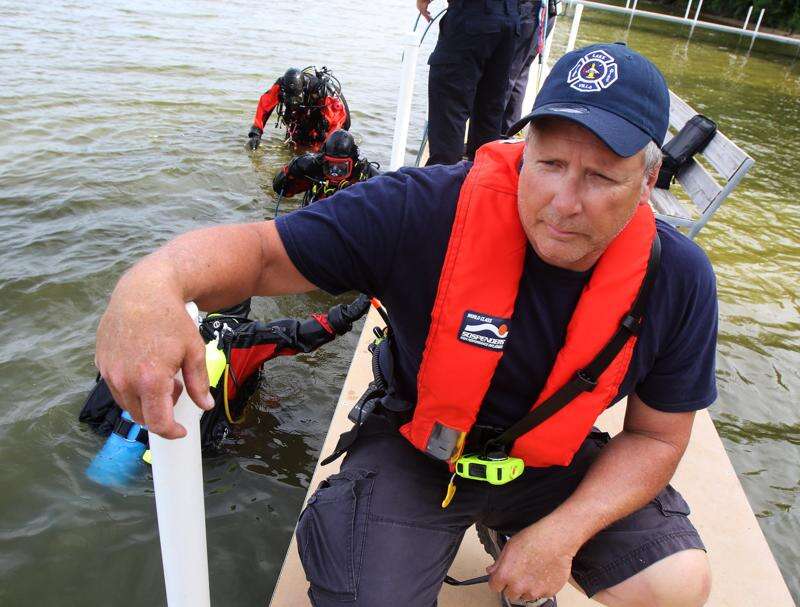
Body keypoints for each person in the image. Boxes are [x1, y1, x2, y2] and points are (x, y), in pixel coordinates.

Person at [96, 44, 715, 607]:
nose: (564, 201)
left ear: (647, 180)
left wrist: (563, 531)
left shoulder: (678, 278)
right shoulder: (424, 209)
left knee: (677, 585)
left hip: (549, 466)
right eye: (548, 163)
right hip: (419, 445)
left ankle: (515, 527)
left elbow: (657, 437)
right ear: (523, 151)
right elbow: (261, 253)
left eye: (601, 176)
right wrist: (152, 282)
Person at [419, 0, 520, 166]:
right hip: (510, 19)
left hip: (470, 18)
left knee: (450, 110)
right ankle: (482, 181)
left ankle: (444, 185)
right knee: (490, 110)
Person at [247, 66, 351, 152]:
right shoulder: (281, 86)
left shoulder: (321, 92)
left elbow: (337, 122)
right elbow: (265, 105)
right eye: (290, 98)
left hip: (323, 120)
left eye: (296, 98)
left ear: (303, 89)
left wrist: (327, 149)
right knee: (292, 147)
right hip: (300, 117)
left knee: (318, 152)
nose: (293, 101)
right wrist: (256, 134)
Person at [272, 130, 380, 207]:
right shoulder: (317, 170)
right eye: (330, 165)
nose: (335, 172)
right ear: (323, 160)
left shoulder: (366, 177)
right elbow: (280, 189)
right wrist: (293, 167)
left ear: (354, 162)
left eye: (342, 167)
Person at [502, 0, 558, 135]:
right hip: (544, 13)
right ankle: (506, 132)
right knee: (519, 74)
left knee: (506, 75)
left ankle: (491, 136)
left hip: (530, 11)